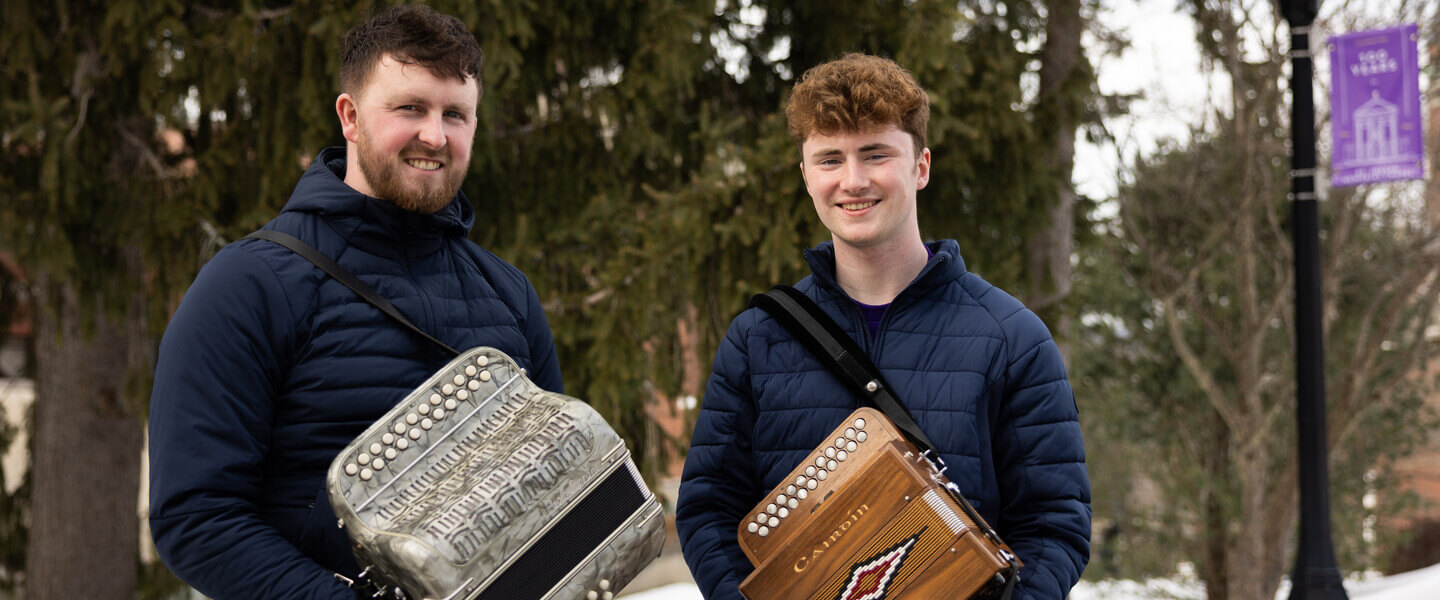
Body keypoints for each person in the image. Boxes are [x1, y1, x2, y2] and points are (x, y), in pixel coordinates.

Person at [147, 6, 563, 599]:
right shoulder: (246, 286)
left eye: (456, 114)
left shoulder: (510, 293)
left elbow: (556, 485)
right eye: (409, 108)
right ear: (350, 116)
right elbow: (195, 518)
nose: (435, 136)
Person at [675, 53, 1090, 599]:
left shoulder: (1012, 338)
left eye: (875, 154)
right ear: (805, 176)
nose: (853, 180)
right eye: (829, 159)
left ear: (920, 166)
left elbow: (1054, 525)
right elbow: (709, 510)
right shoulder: (757, 339)